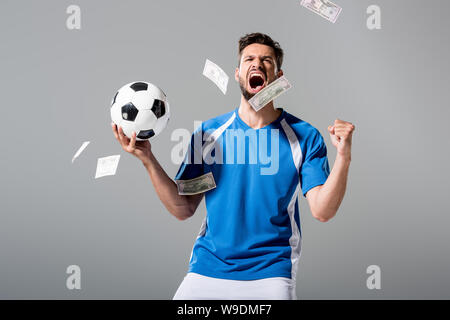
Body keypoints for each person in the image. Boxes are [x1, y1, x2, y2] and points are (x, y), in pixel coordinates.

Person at [111, 32, 355, 300]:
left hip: (270, 272)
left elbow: (322, 210)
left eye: (267, 61)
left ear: (278, 76)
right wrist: (148, 159)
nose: (257, 64)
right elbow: (184, 207)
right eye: (249, 59)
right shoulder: (209, 135)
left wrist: (343, 156)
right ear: (238, 73)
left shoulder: (303, 136)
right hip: (207, 269)